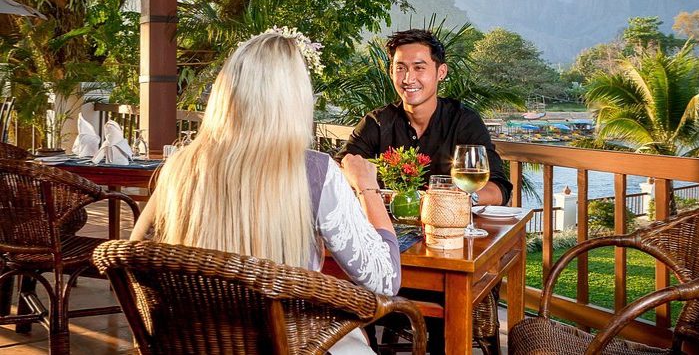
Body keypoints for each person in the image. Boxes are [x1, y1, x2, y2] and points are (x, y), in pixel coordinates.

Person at [131, 29, 398, 354]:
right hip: (289, 344)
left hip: (195, 342)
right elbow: (384, 281)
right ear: (295, 98)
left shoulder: (180, 167)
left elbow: (134, 257)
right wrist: (367, 186)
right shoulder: (315, 171)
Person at [336, 29, 512, 206]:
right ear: (391, 72)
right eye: (400, 68)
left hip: (450, 227)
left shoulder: (464, 121)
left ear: (441, 72)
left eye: (419, 68)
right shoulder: (377, 122)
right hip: (387, 228)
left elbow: (499, 189)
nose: (408, 78)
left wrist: (463, 197)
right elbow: (339, 168)